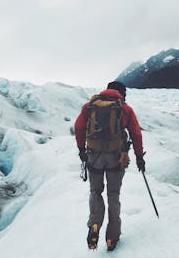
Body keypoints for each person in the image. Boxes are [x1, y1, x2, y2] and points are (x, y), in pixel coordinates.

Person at [74, 81, 145, 251]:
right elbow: (136, 133)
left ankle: (94, 225)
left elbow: (78, 128)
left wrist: (81, 150)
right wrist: (139, 156)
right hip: (116, 157)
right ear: (120, 92)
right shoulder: (124, 108)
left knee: (95, 191)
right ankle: (112, 237)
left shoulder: (89, 106)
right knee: (113, 194)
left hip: (94, 156)